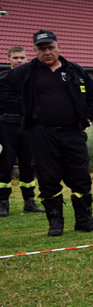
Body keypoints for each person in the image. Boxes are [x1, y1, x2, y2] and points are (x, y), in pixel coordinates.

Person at [0, 30, 93, 237]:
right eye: (42, 49)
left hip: (73, 133)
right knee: (48, 179)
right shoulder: (26, 71)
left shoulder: (74, 70)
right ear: (35, 51)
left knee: (80, 177)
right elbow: (2, 89)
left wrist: (88, 117)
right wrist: (25, 108)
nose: (47, 52)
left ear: (58, 48)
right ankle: (55, 224)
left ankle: (85, 221)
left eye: (50, 47)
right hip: (41, 135)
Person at [0, 47, 45, 216]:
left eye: (22, 57)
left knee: (29, 164)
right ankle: (3, 202)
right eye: (15, 58)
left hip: (26, 127)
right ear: (8, 59)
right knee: (5, 165)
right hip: (5, 126)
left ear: (27, 59)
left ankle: (29, 202)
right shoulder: (3, 79)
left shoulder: (33, 80)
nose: (19, 60)